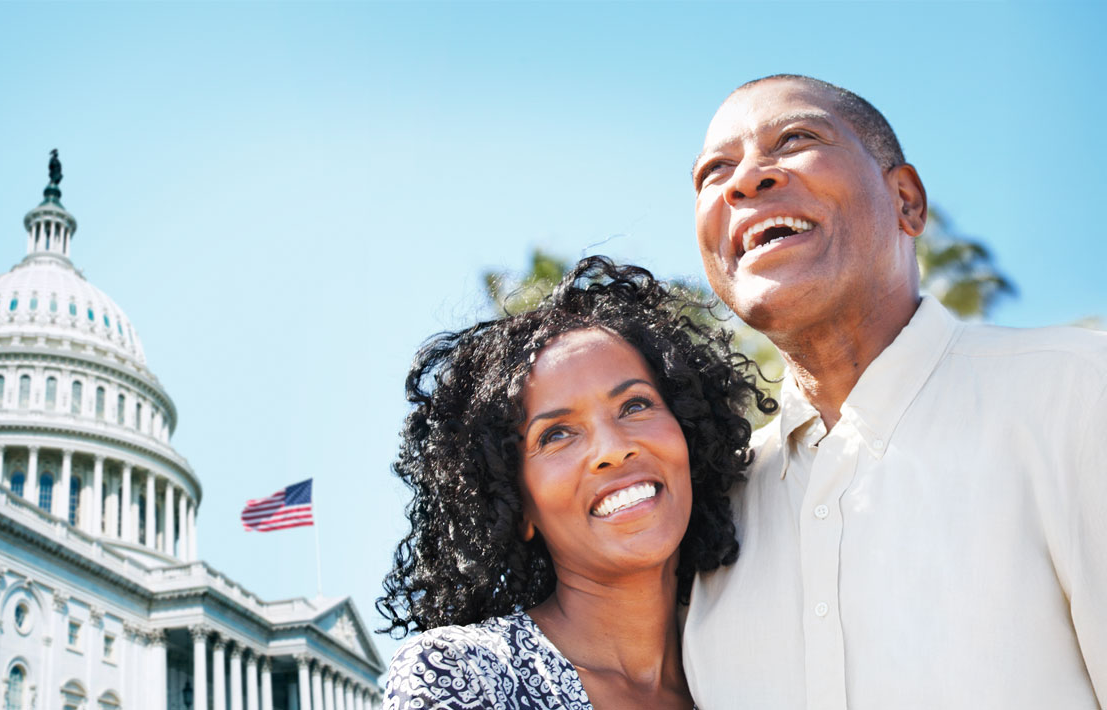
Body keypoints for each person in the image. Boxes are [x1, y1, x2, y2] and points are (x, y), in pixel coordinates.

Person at [683, 74, 1107, 708]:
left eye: (796, 138)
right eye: (714, 172)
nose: (746, 179)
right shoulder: (706, 509)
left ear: (907, 201)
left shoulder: (1081, 396)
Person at [378, 257, 773, 709]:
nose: (611, 449)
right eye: (556, 434)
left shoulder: (750, 672)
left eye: (634, 405)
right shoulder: (468, 674)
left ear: (688, 433)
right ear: (515, 505)